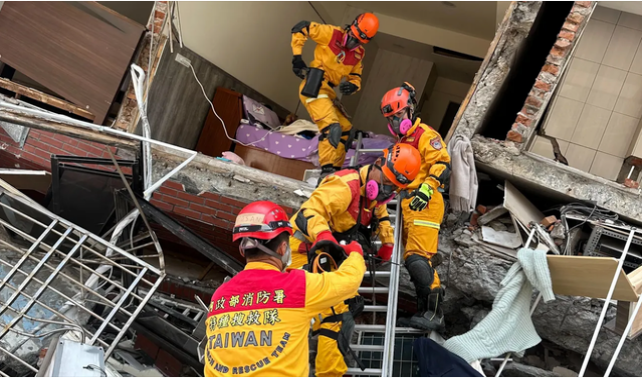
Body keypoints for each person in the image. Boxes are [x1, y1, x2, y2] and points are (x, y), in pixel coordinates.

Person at [289, 143, 422, 377]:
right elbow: (309, 212)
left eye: (393, 188)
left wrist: (388, 243)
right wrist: (324, 237)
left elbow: (379, 214)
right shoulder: (345, 186)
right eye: (386, 182)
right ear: (378, 164)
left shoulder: (371, 195)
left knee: (345, 309)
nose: (386, 190)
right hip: (304, 252)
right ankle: (327, 372)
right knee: (335, 315)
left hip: (327, 256)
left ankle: (322, 362)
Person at [203, 201, 366, 377]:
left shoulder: (220, 295)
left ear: (243, 250)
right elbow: (349, 281)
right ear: (283, 249)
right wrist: (355, 253)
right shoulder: (297, 286)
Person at [380, 83, 452, 331]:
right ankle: (424, 312)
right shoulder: (401, 142)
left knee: (418, 260)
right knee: (414, 263)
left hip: (426, 202)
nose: (394, 121)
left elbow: (442, 164)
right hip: (408, 205)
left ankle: (436, 315)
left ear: (410, 109)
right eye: (390, 118)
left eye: (398, 115)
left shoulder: (425, 135)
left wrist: (427, 187)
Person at [290, 13, 379, 180]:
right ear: (351, 26)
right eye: (353, 36)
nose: (353, 42)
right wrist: (297, 58)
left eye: (359, 40)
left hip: (329, 93)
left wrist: (353, 86)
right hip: (314, 85)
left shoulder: (358, 54)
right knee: (332, 128)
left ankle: (334, 171)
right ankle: (325, 171)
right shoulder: (331, 33)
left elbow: (356, 76)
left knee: (346, 131)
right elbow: (301, 27)